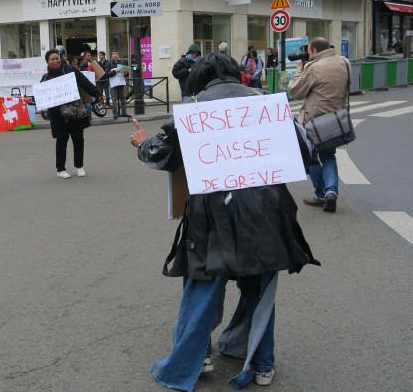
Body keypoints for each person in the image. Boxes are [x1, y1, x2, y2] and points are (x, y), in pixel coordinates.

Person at [131, 52, 319, 391]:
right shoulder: (266, 106)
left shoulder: (195, 108)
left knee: (202, 281)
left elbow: (160, 155)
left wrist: (142, 143)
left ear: (199, 79)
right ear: (237, 75)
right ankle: (262, 365)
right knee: (259, 288)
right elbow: (307, 150)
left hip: (211, 215)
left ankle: (198, 357)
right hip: (266, 212)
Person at [288, 37, 351, 213]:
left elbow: (295, 91)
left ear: (314, 51)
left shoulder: (313, 67)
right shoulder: (344, 62)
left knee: (312, 157)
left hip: (315, 122)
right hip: (337, 120)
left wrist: (300, 71)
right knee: (329, 156)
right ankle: (331, 190)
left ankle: (321, 194)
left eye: (308, 50)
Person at [41, 49, 103, 179]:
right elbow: (41, 96)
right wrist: (30, 99)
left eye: (57, 58)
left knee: (78, 138)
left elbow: (84, 82)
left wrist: (97, 94)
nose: (56, 61)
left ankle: (79, 166)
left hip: (75, 110)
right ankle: (61, 169)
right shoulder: (46, 78)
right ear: (47, 62)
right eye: (52, 59)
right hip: (58, 115)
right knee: (61, 140)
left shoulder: (69, 70)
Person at [103, 50, 128, 120]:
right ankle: (115, 113)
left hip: (121, 82)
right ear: (111, 56)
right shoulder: (109, 64)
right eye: (113, 54)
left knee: (122, 99)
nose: (115, 55)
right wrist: (115, 71)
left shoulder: (121, 62)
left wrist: (126, 73)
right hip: (114, 83)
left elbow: (125, 74)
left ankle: (124, 112)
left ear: (118, 55)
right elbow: (106, 74)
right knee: (114, 99)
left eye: (116, 54)